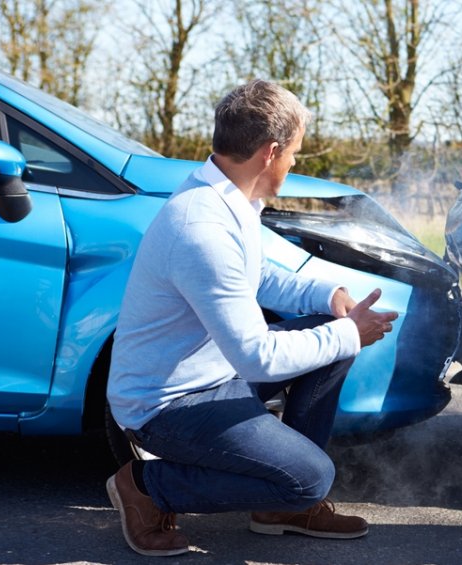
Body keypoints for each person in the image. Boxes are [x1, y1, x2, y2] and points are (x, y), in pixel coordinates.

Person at [105, 79, 398, 557]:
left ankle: (280, 505)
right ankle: (146, 485)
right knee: (312, 477)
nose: (295, 163)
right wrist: (347, 333)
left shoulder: (227, 198)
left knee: (327, 342)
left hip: (215, 376)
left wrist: (330, 296)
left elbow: (258, 276)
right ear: (271, 152)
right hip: (167, 405)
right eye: (295, 154)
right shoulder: (201, 228)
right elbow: (258, 357)